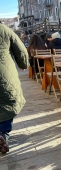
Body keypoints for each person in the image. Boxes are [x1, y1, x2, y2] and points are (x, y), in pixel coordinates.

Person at [0, 22, 29, 153]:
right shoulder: (5, 30)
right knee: (8, 102)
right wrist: (23, 64)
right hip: (4, 75)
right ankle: (3, 134)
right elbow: (21, 50)